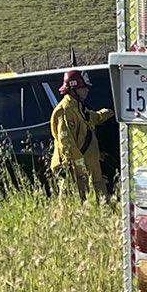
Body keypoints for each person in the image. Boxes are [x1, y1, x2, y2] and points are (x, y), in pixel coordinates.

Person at [50, 70, 113, 198]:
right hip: (77, 173)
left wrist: (111, 112)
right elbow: (67, 146)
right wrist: (81, 170)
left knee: (100, 204)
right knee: (76, 207)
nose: (87, 91)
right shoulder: (65, 111)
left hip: (90, 169)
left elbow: (92, 118)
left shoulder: (78, 107)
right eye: (83, 87)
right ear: (74, 89)